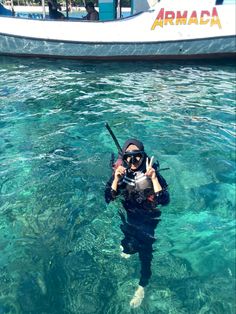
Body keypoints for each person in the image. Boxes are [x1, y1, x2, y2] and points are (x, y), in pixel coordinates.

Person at [105, 138, 170, 308]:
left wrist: (154, 179)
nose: (133, 162)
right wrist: (115, 180)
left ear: (143, 156)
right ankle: (127, 246)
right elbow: (108, 199)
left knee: (145, 252)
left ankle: (143, 286)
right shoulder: (121, 173)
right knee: (126, 235)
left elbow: (165, 201)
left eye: (137, 157)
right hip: (129, 214)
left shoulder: (152, 174)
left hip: (149, 218)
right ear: (124, 157)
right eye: (128, 157)